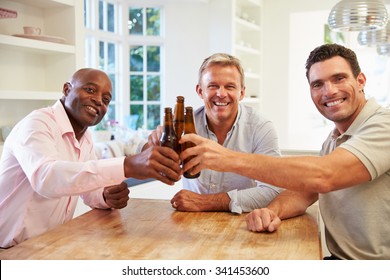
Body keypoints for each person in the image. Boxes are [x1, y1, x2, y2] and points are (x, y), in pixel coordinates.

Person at [179, 44, 390, 259]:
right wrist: (272, 211)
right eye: (318, 84)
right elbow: (306, 190)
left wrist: (226, 158)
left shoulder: (385, 124)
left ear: (361, 81)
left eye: (339, 78)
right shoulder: (335, 139)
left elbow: (325, 175)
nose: (329, 91)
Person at [0, 68, 181, 249]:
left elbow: (88, 191)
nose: (98, 101)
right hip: (10, 251)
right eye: (90, 90)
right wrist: (127, 165)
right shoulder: (37, 123)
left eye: (106, 100)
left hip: (49, 246)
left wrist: (105, 196)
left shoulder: (85, 138)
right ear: (67, 89)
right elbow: (46, 178)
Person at [147, 53, 282, 213]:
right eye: (213, 86)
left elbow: (273, 191)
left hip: (243, 224)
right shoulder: (182, 125)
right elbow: (143, 158)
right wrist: (152, 145)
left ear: (242, 93)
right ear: (200, 91)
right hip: (192, 224)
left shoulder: (261, 128)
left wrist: (205, 202)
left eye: (230, 86)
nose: (221, 93)